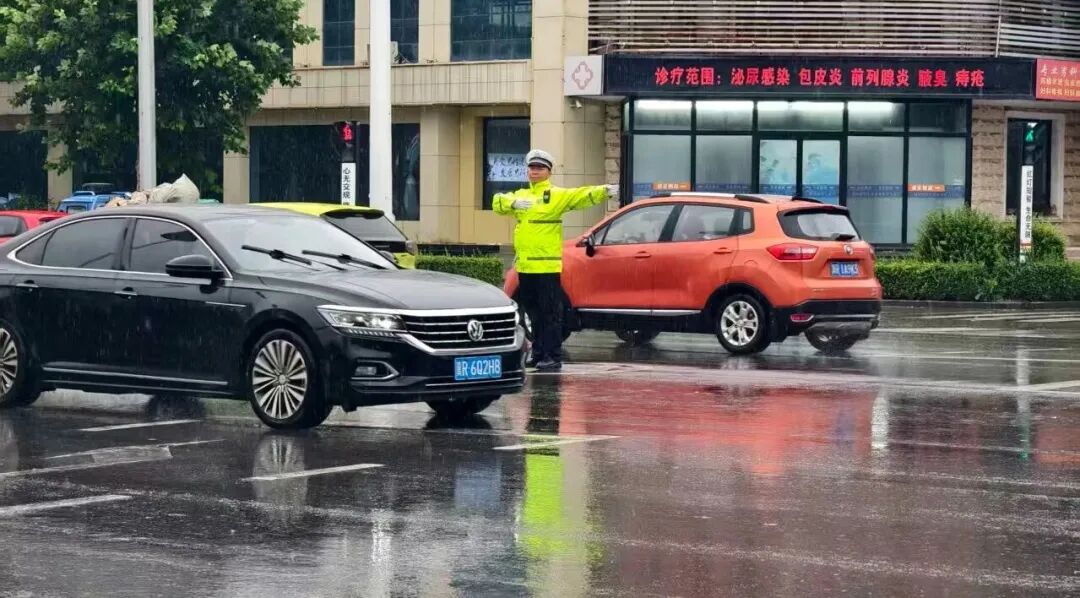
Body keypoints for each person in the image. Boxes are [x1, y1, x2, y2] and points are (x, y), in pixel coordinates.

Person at [492, 149, 618, 371]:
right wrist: (513, 205)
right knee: (532, 314)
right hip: (526, 266)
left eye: (540, 168)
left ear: (549, 172)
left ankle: (552, 355)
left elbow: (579, 195)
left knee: (550, 314)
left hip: (547, 266)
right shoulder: (522, 195)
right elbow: (498, 201)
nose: (535, 172)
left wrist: (603, 192)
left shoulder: (555, 195)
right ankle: (538, 351)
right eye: (532, 168)